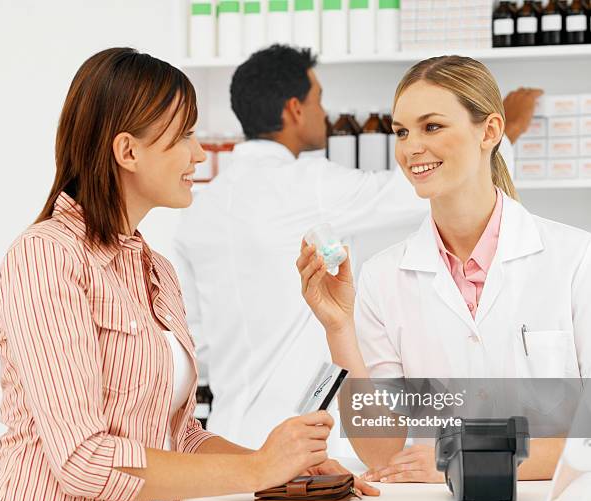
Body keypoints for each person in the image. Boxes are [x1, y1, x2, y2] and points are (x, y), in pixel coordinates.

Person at [0, 48, 377, 501]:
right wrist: (256, 467)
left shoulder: (153, 269)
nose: (198, 153)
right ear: (128, 150)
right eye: (183, 137)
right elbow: (83, 459)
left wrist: (283, 466)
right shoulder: (46, 257)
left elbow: (178, 434)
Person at [172, 44, 535, 450]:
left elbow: (197, 340)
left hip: (226, 434)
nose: (324, 113)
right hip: (308, 439)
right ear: (294, 109)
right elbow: (419, 186)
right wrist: (506, 134)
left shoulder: (198, 210)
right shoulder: (309, 184)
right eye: (318, 100)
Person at [297, 55, 591, 484]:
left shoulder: (575, 259)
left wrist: (468, 458)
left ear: (489, 131)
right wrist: (339, 327)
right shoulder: (383, 277)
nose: (411, 146)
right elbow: (382, 452)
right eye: (402, 131)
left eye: (431, 126)